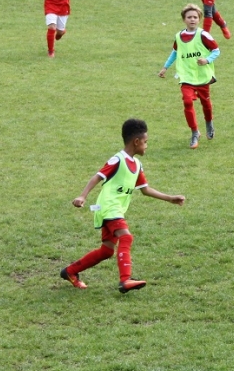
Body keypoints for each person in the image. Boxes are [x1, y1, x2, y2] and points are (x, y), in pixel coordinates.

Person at [63, 118, 186, 293]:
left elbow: (145, 189)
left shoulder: (137, 165)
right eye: (145, 142)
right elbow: (97, 176)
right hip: (108, 207)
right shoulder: (118, 159)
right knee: (126, 237)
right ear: (136, 141)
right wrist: (82, 196)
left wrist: (170, 198)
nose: (146, 146)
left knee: (106, 251)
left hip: (115, 209)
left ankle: (70, 271)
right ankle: (125, 279)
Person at [158, 4, 221, 149]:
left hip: (202, 77)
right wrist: (165, 67)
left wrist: (207, 60)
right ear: (184, 19)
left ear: (199, 19)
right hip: (186, 77)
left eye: (195, 17)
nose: (192, 19)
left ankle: (209, 124)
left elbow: (216, 50)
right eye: (189, 17)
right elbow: (175, 52)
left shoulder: (203, 35)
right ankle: (194, 132)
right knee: (187, 102)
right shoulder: (179, 36)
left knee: (206, 104)